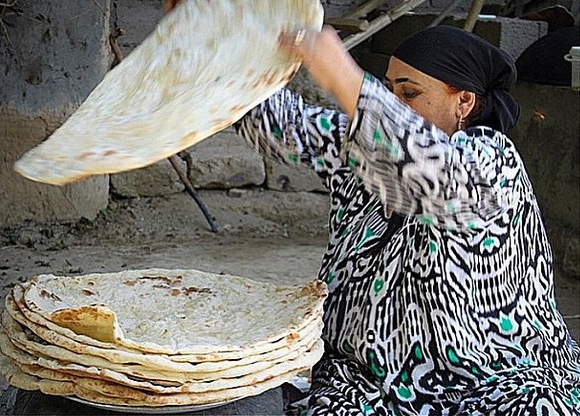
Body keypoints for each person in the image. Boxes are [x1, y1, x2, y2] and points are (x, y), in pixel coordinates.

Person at [165, 2, 580, 414]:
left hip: (478, 386)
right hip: (362, 380)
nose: (395, 102)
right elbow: (283, 126)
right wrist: (205, 44)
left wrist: (346, 78)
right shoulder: (366, 148)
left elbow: (434, 171)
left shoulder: (491, 164)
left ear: (465, 102)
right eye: (389, 90)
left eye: (410, 93)